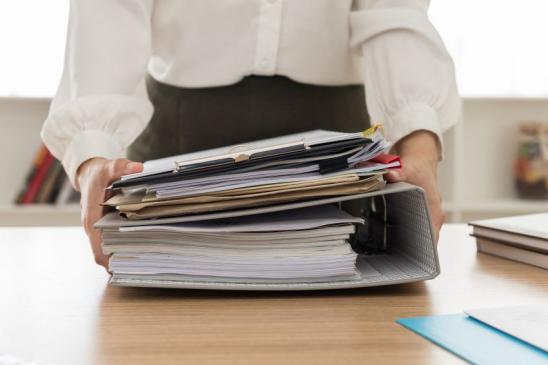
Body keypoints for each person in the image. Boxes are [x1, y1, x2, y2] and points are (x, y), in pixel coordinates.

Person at [41, 0, 461, 269]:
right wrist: (93, 154)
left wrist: (418, 140)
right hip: (178, 146)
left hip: (338, 155)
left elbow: (396, 12)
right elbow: (107, 11)